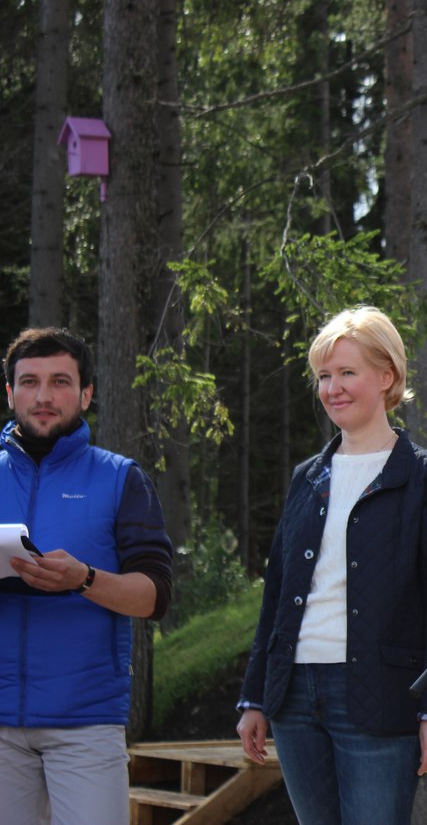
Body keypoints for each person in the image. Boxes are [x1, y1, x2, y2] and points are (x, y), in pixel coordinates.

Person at [236, 307, 427, 825]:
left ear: (387, 376)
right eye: (324, 375)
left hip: (380, 697)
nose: (332, 388)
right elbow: (276, 596)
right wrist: (255, 696)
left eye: (347, 372)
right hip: (294, 696)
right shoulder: (307, 477)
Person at [0, 327, 174, 825]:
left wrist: (84, 579)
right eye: (29, 382)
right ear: (10, 393)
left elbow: (155, 597)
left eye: (60, 382)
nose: (43, 396)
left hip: (86, 724)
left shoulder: (121, 478)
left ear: (86, 394)